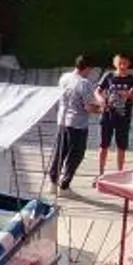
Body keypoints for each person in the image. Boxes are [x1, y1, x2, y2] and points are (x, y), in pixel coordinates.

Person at [48, 54, 100, 192]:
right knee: (76, 155)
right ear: (87, 68)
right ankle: (65, 185)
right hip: (78, 124)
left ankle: (53, 182)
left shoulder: (64, 78)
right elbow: (88, 107)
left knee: (60, 152)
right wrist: (102, 109)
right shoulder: (84, 83)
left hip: (63, 121)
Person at [95, 53, 133, 176]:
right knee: (104, 145)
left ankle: (120, 173)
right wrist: (101, 100)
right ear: (115, 63)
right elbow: (97, 91)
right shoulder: (109, 76)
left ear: (128, 64)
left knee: (121, 146)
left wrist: (131, 96)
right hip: (107, 115)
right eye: (119, 63)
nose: (122, 66)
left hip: (124, 116)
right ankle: (100, 173)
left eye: (124, 63)